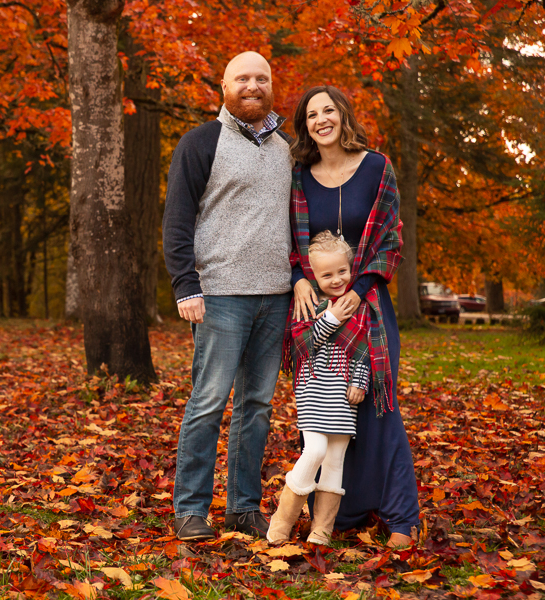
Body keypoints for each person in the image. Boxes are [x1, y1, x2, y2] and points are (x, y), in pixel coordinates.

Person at [162, 51, 293, 542]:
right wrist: (185, 285)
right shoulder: (201, 142)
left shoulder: (286, 147)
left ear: (272, 86)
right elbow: (177, 219)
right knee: (209, 401)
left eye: (262, 78)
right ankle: (192, 509)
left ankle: (242, 508)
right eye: (243, 78)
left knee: (257, 405)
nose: (253, 85)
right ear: (224, 85)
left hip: (275, 296)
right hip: (219, 296)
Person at [286, 85, 420, 547]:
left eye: (328, 110)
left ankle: (402, 516)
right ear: (305, 126)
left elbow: (390, 241)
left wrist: (360, 291)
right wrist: (300, 279)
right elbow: (288, 239)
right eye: (310, 115)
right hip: (315, 313)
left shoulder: (377, 168)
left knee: (378, 407)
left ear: (343, 115)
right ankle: (343, 514)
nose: (321, 119)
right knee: (325, 414)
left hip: (369, 308)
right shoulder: (300, 175)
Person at [267, 231, 368, 545]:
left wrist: (359, 381)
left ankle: (321, 530)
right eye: (327, 274)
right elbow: (301, 346)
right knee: (315, 450)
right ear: (313, 275)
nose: (336, 280)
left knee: (335, 459)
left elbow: (363, 350)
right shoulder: (307, 304)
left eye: (342, 271)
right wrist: (331, 318)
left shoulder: (357, 305)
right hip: (314, 390)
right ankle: (282, 522)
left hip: (343, 395)